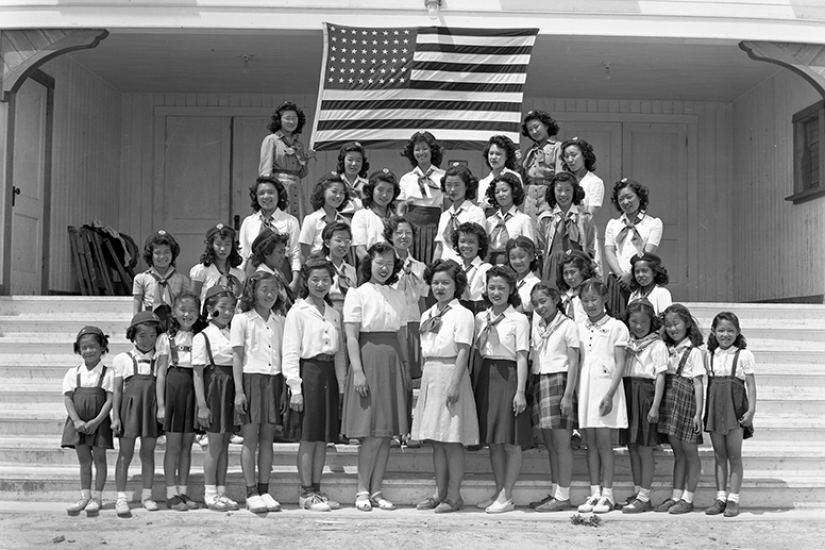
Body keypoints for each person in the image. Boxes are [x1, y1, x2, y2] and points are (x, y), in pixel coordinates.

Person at [342, 242, 410, 511]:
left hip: (392, 361)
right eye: (380, 262)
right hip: (368, 360)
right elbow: (350, 336)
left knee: (386, 434)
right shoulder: (357, 294)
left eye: (390, 264)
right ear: (369, 263)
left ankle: (377, 490)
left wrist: (405, 367)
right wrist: (357, 371)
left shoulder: (399, 295)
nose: (385, 268)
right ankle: (361, 491)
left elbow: (402, 334)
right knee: (370, 434)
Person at [412, 259, 479, 513]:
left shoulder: (462, 313)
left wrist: (455, 384)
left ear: (456, 285)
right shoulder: (427, 314)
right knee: (436, 440)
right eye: (436, 282)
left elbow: (463, 351)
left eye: (446, 283)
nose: (440, 287)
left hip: (452, 371)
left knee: (452, 440)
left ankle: (454, 494)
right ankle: (438, 492)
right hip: (431, 373)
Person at [283, 254, 347, 511]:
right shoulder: (298, 311)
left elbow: (339, 351)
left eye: (325, 280)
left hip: (328, 374)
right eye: (315, 279)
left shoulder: (333, 313)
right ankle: (305, 491)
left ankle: (317, 489)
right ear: (306, 281)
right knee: (309, 437)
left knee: (323, 438)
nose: (320, 285)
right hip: (308, 372)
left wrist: (341, 385)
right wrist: (295, 388)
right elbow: (290, 351)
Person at [473, 266, 532, 514]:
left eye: (501, 288)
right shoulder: (480, 318)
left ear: (511, 290)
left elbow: (521, 357)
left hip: (509, 377)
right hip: (487, 376)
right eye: (492, 287)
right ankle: (498, 491)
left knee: (511, 441)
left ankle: (508, 495)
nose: (496, 292)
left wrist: (520, 391)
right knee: (493, 441)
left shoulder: (519, 319)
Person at [232, 272, 286, 514]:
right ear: (253, 291)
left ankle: (265, 489)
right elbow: (237, 357)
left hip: (274, 380)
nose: (269, 294)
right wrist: (239, 391)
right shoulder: (241, 320)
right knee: (250, 440)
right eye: (264, 289)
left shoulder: (281, 321)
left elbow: (284, 355)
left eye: (273, 289)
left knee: (267, 440)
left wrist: (285, 386)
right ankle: (250, 491)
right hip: (250, 379)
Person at [576, 279, 629, 515]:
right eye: (585, 301)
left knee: (605, 444)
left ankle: (608, 495)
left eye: (594, 300)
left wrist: (610, 394)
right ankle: (594, 492)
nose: (590, 305)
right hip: (585, 388)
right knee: (591, 445)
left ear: (605, 299)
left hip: (606, 388)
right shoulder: (580, 327)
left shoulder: (617, 326)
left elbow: (619, 364)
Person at [528, 284, 579, 513]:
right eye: (536, 303)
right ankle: (555, 491)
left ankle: (564, 495)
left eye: (544, 301)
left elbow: (574, 361)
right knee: (549, 444)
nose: (540, 307)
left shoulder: (568, 325)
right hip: (541, 380)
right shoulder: (538, 325)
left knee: (561, 444)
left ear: (556, 299)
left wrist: (568, 395)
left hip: (559, 382)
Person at [704, 312, 757, 518]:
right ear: (713, 332)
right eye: (721, 330)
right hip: (716, 408)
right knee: (719, 456)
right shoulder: (709, 355)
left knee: (734, 455)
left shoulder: (743, 355)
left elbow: (751, 386)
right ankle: (721, 498)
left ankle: (734, 499)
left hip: (735, 409)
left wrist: (751, 411)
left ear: (738, 332)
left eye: (730, 331)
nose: (725, 334)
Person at [112, 311, 164, 518]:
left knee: (148, 454)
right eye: (143, 335)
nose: (148, 340)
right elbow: (116, 390)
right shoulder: (122, 359)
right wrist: (115, 416)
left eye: (152, 336)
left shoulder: (160, 359)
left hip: (150, 410)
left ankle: (147, 495)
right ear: (133, 335)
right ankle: (121, 497)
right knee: (125, 454)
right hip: (129, 410)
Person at [192, 286, 239, 512]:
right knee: (214, 445)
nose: (228, 312)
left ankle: (222, 491)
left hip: (231, 387)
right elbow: (198, 373)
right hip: (214, 389)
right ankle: (209, 493)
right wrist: (202, 405)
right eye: (223, 307)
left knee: (225, 445)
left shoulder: (234, 333)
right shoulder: (203, 336)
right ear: (210, 309)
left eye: (231, 307)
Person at [155, 293, 203, 512]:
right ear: (173, 312)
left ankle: (183, 492)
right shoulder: (166, 338)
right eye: (182, 309)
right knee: (173, 447)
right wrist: (162, 405)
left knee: (187, 447)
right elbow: (161, 374)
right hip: (174, 387)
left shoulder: (200, 337)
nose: (187, 314)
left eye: (192, 310)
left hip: (193, 389)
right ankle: (170, 493)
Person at [620, 300, 668, 514]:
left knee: (645, 448)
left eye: (644, 322)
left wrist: (655, 406)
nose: (639, 326)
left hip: (646, 394)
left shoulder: (657, 345)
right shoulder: (627, 343)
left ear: (652, 322)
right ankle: (637, 491)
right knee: (632, 446)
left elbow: (660, 377)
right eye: (634, 321)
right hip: (628, 392)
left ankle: (645, 496)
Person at [656, 304, 705, 514]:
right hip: (670, 401)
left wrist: (698, 414)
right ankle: (676, 496)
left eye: (676, 323)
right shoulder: (665, 349)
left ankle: (688, 497)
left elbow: (698, 383)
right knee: (678, 453)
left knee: (690, 452)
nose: (672, 328)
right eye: (667, 325)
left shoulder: (694, 352)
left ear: (686, 322)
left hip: (687, 403)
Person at [61, 326, 114, 517]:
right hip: (79, 424)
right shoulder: (73, 373)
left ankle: (97, 497)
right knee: (84, 460)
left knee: (100, 459)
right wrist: (76, 420)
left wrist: (97, 421)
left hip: (98, 424)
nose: (88, 351)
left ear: (102, 348)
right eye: (84, 347)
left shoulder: (108, 373)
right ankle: (85, 496)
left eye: (93, 346)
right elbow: (68, 398)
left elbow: (110, 400)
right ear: (78, 350)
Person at [603, 178, 663, 319]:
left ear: (640, 197)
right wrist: (620, 275)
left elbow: (647, 253)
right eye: (621, 199)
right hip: (617, 280)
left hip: (640, 279)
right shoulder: (613, 224)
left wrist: (630, 274)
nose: (625, 202)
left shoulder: (653, 224)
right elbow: (609, 251)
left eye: (629, 197)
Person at [239, 177, 302, 293]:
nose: (266, 196)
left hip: (281, 269)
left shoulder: (290, 221)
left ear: (279, 195)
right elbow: (243, 254)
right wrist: (240, 279)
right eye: (261, 193)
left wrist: (295, 280)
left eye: (271, 192)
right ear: (256, 197)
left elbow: (295, 253)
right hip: (254, 270)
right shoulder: (248, 222)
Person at [385, 216, 427, 383]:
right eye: (399, 233)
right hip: (393, 321)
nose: (404, 237)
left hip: (414, 320)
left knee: (412, 374)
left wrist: (425, 324)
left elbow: (422, 299)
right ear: (390, 236)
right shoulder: (384, 264)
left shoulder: (419, 266)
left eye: (408, 233)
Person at [258, 101, 315, 219]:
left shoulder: (298, 145)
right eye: (287, 118)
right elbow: (265, 171)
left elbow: (302, 174)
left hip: (296, 190)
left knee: (296, 224)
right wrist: (268, 193)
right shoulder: (271, 140)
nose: (291, 122)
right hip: (279, 188)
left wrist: (306, 159)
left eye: (294, 118)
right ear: (279, 120)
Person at [537, 171, 596, 284]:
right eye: (559, 190)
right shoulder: (545, 218)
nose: (563, 194)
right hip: (552, 269)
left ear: (575, 191)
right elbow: (541, 250)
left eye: (568, 189)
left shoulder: (585, 218)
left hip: (576, 269)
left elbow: (590, 249)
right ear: (553, 191)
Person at [398, 131, 445, 265]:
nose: (421, 152)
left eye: (425, 148)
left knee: (433, 262)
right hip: (411, 225)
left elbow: (446, 204)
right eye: (417, 149)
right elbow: (400, 207)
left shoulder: (443, 176)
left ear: (432, 151)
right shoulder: (407, 178)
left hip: (434, 224)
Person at [133, 230, 189, 328]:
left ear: (173, 253)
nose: (162, 256)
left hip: (174, 322)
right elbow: (136, 309)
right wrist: (136, 326)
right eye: (157, 253)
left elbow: (185, 306)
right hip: (150, 322)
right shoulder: (141, 279)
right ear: (150, 255)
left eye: (166, 252)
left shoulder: (182, 279)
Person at [434, 164, 485, 263]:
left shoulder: (475, 212)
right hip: (444, 268)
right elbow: (439, 247)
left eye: (457, 185)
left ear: (467, 186)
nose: (452, 189)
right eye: (448, 185)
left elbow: (476, 246)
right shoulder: (444, 215)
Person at [484, 173, 535, 265]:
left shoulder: (523, 220)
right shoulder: (489, 221)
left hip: (515, 265)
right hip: (491, 267)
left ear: (513, 191)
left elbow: (529, 248)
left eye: (504, 190)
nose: (501, 194)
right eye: (497, 192)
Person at [352, 169, 399, 265]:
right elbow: (360, 250)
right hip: (370, 270)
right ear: (371, 190)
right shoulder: (361, 216)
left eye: (389, 191)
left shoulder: (397, 218)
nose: (385, 195)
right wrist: (375, 267)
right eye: (380, 190)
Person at [299, 172, 352, 258]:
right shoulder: (311, 220)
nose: (338, 196)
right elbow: (304, 254)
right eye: (334, 191)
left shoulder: (345, 222)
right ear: (322, 192)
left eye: (342, 192)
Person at [521, 110, 563, 217]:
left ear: (546, 126)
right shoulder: (529, 152)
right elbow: (523, 178)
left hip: (548, 195)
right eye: (530, 129)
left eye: (536, 127)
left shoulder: (558, 147)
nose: (534, 131)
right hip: (530, 198)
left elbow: (560, 176)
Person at [189, 223, 245, 303]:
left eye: (227, 244)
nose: (223, 248)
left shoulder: (239, 273)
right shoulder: (201, 271)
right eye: (218, 244)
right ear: (211, 245)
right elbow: (193, 300)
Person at [249, 229, 296, 316]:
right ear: (266, 253)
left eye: (284, 252)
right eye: (279, 252)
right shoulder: (261, 277)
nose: (283, 257)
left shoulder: (277, 273)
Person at [452, 222, 493, 315]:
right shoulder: (456, 268)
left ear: (480, 245)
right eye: (462, 241)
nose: (466, 245)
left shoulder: (485, 268)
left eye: (471, 242)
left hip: (478, 315)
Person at [479, 135, 523, 215]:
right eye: (491, 153)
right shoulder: (483, 182)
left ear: (507, 157)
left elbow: (520, 205)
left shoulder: (515, 177)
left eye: (498, 154)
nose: (493, 157)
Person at [556, 250, 598, 323]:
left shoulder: (592, 294)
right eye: (565, 273)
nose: (569, 277)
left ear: (584, 271)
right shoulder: (563, 297)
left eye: (573, 272)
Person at [506, 236, 541, 315]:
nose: (517, 261)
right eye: (513, 258)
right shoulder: (507, 281)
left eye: (521, 257)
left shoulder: (536, 285)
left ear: (531, 257)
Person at [336, 141, 369, 217]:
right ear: (342, 161)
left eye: (358, 160)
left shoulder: (368, 185)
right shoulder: (334, 182)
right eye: (350, 160)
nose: (354, 164)